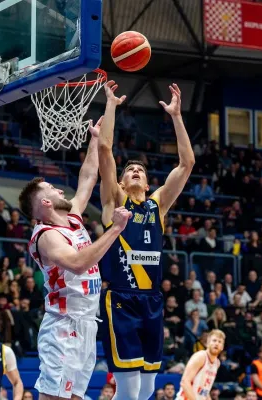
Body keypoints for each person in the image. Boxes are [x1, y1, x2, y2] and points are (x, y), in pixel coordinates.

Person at [18, 122, 133, 400]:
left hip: (87, 323)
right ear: (45, 204)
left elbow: (88, 177)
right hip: (63, 324)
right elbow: (79, 263)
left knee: (74, 397)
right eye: (52, 189)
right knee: (53, 397)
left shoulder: (72, 216)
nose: (59, 190)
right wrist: (115, 229)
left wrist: (93, 140)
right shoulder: (45, 236)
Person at [97, 80, 195, 400]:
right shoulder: (115, 201)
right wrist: (111, 106)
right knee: (128, 386)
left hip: (152, 301)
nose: (136, 171)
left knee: (149, 387)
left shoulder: (157, 206)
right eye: (130, 170)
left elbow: (186, 163)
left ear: (148, 180)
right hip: (123, 299)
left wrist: (177, 117)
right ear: (122, 182)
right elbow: (104, 150)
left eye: (140, 169)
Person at [176, 330, 226, 400]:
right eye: (214, 340)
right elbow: (185, 382)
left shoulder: (217, 363)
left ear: (222, 347)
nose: (216, 344)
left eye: (219, 342)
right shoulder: (200, 357)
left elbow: (205, 390)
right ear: (208, 343)